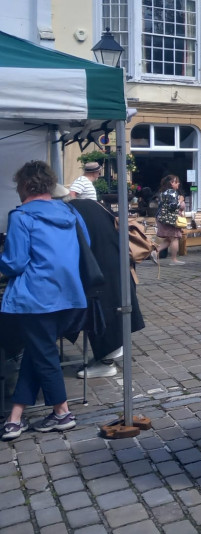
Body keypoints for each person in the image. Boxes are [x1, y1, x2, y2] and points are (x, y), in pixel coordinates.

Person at [1, 161, 87, 440]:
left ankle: (62, 412)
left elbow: (14, 262)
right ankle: (15, 418)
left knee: (44, 354)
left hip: (35, 297)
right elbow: (84, 247)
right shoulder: (70, 212)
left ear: (25, 186)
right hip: (70, 295)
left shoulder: (21, 216)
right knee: (38, 352)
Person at [65, 189, 146, 379]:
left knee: (105, 310)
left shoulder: (72, 212)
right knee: (112, 308)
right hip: (115, 264)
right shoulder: (93, 206)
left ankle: (106, 360)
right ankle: (106, 357)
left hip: (102, 268)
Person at [154, 175, 186, 265]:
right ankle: (174, 260)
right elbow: (173, 206)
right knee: (175, 238)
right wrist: (180, 200)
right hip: (170, 220)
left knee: (169, 239)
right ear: (171, 183)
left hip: (162, 218)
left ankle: (155, 252)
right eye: (176, 182)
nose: (178, 183)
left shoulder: (163, 192)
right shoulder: (171, 192)